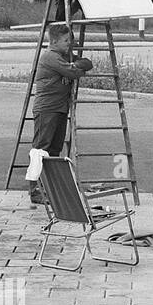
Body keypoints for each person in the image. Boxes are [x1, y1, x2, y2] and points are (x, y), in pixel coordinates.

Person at [29, 23, 94, 203]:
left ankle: (49, 187)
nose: (69, 43)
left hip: (59, 108)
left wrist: (75, 63)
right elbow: (73, 72)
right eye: (66, 40)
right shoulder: (51, 57)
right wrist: (74, 65)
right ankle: (34, 189)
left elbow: (87, 63)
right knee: (41, 148)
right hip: (47, 108)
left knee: (55, 149)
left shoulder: (63, 56)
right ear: (55, 41)